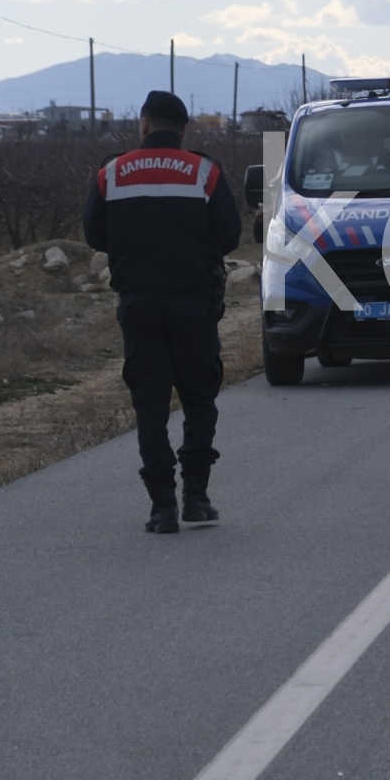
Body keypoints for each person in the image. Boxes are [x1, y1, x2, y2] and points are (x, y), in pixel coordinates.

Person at [82, 89, 243, 535]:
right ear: (184, 128)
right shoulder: (205, 172)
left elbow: (94, 235)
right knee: (199, 400)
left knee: (150, 407)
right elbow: (229, 235)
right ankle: (197, 496)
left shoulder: (111, 173)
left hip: (139, 305)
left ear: (145, 124)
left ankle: (161, 507)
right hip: (195, 304)